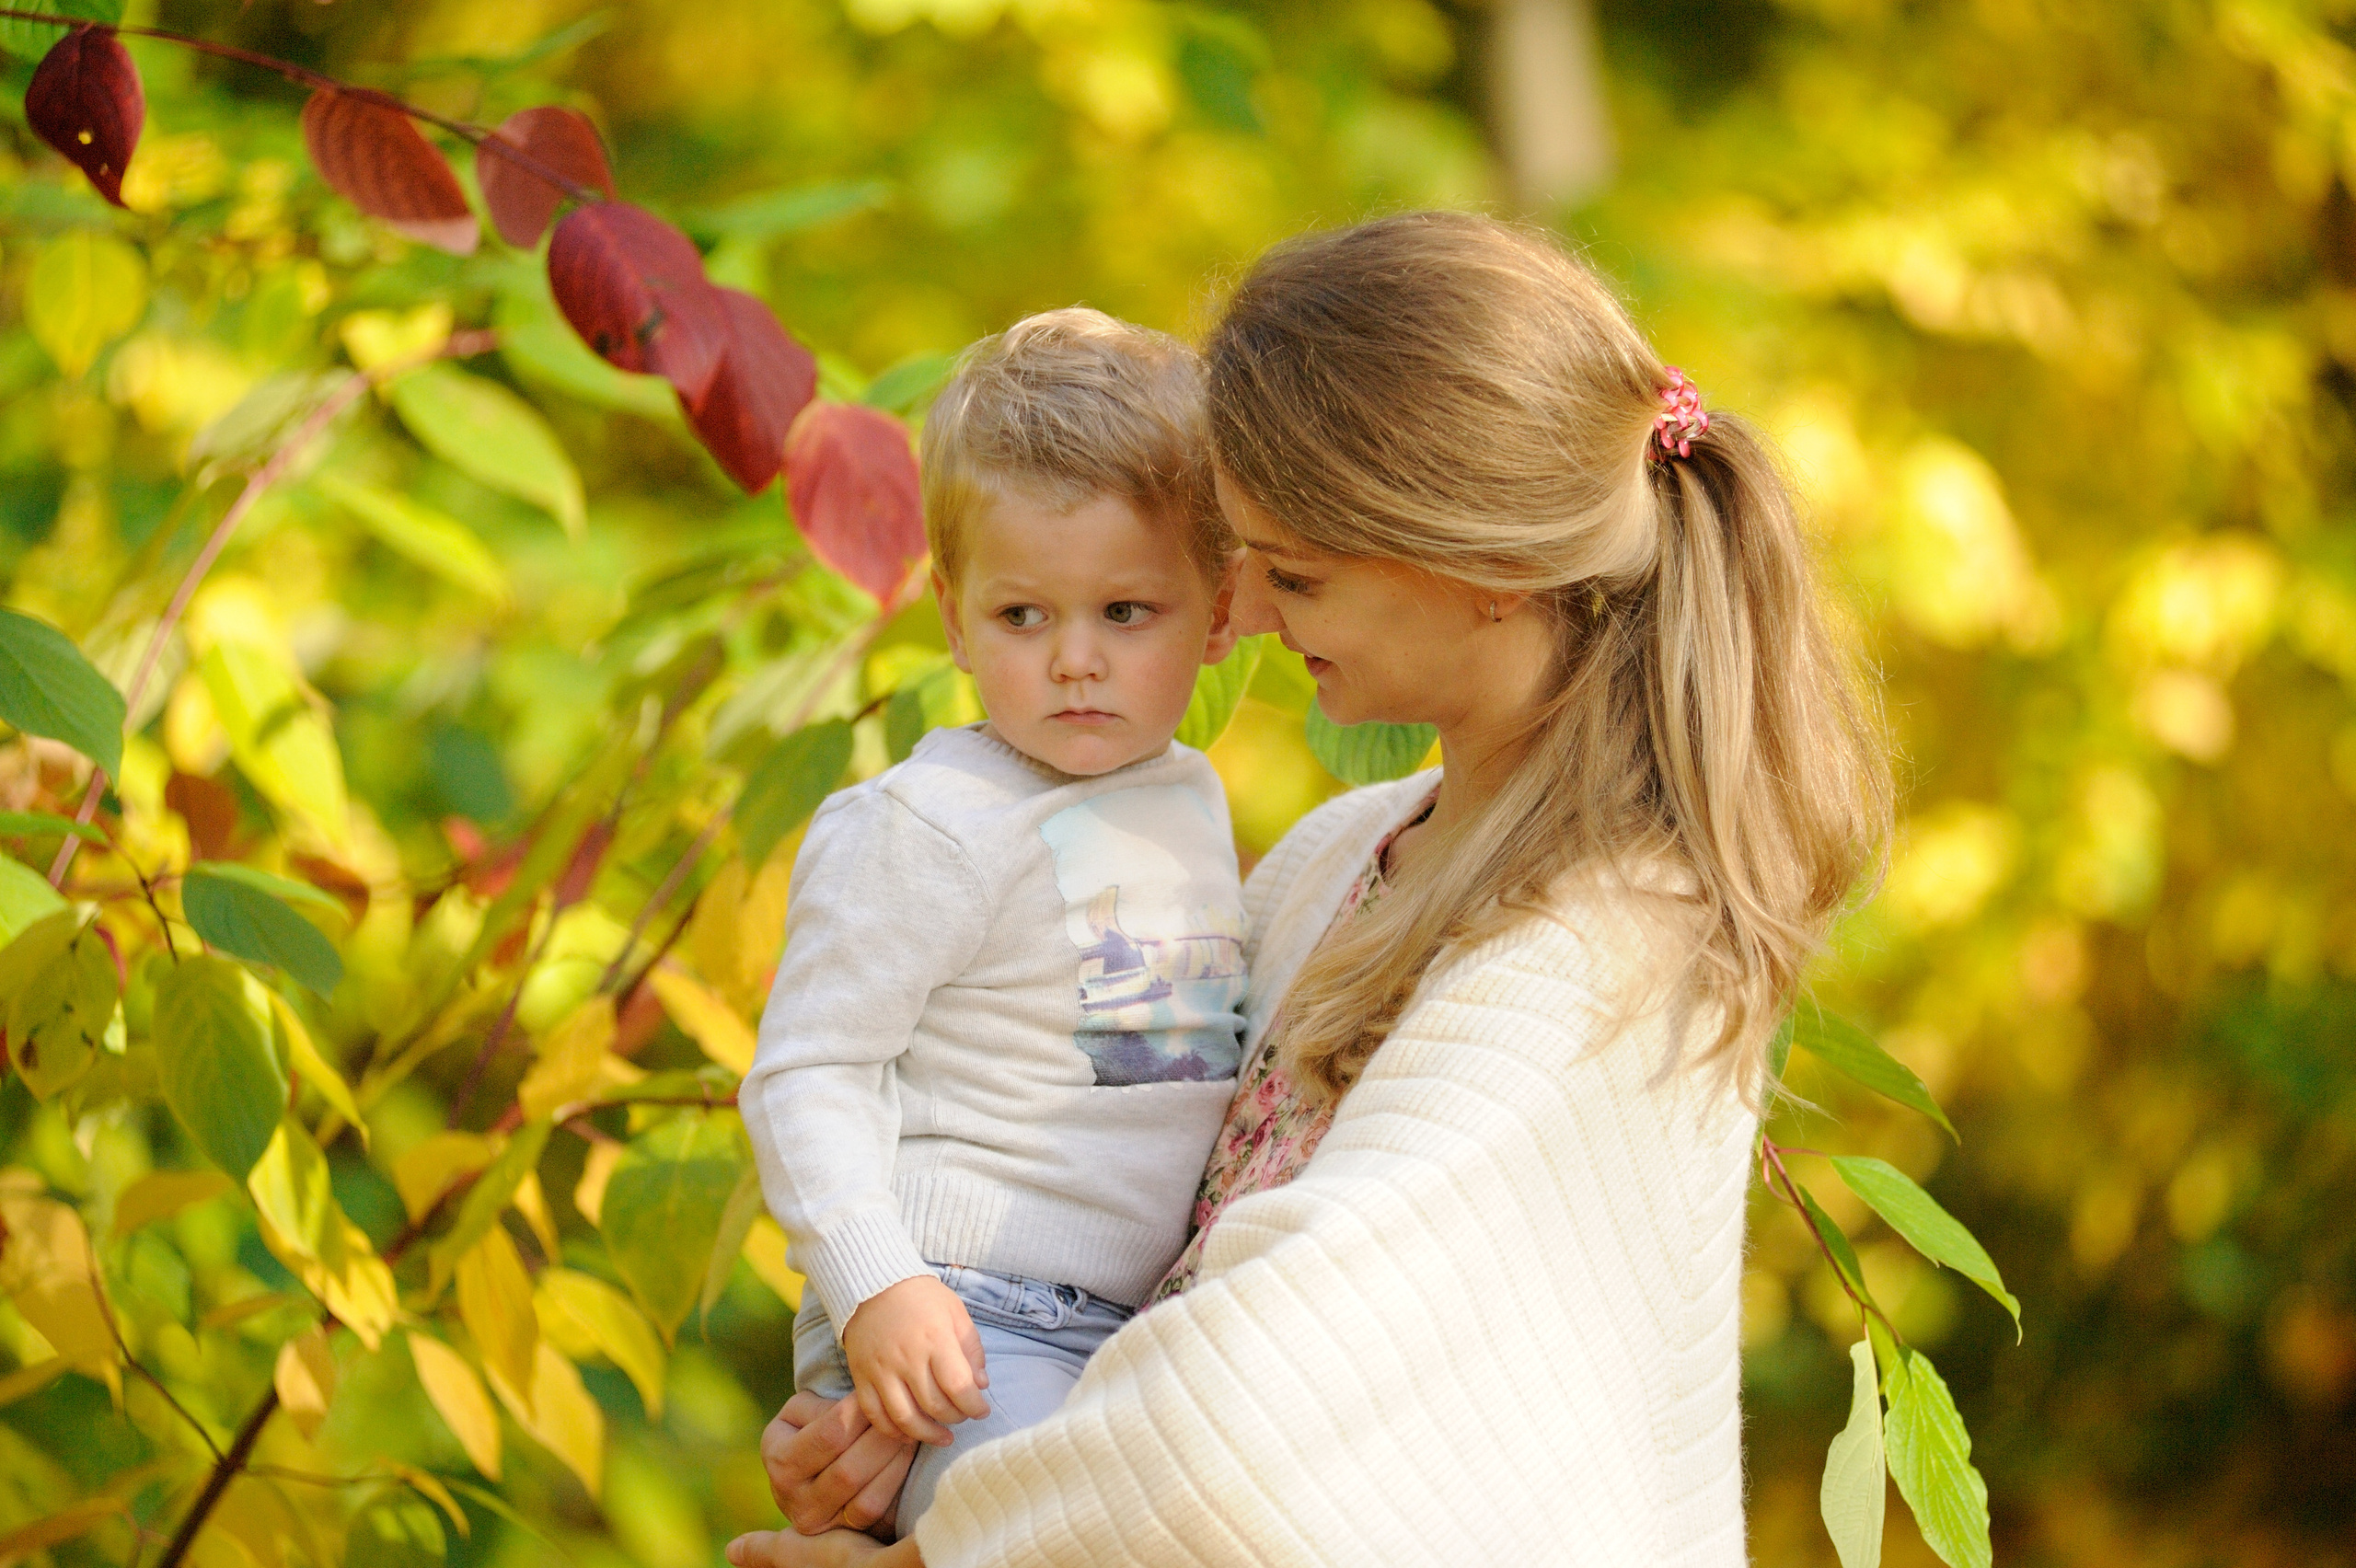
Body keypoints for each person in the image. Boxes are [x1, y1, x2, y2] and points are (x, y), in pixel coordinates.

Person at [729, 211, 1889, 1566]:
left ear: (1483, 571)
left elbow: (1249, 1428)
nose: (1253, 619)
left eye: (1293, 575)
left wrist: (940, 1553)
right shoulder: (1343, 855)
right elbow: (1148, 1248)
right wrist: (901, 1427)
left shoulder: (1602, 949)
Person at [738, 307, 1250, 1537]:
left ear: (1221, 611)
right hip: (955, 1314)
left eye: (1127, 612)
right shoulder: (930, 823)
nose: (1075, 660)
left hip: (1127, 1329)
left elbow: (1181, 1069)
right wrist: (877, 1287)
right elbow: (808, 1071)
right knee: (1064, 1538)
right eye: (1024, 617)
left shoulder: (1188, 797)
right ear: (954, 619)